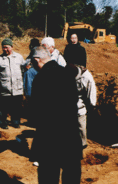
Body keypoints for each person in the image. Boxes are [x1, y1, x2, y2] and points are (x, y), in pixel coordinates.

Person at [30, 46, 82, 184]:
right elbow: (74, 100)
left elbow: (35, 111)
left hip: (49, 137)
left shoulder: (39, 79)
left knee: (48, 175)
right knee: (71, 173)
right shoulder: (66, 74)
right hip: (70, 134)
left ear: (37, 60)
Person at [0, 38, 26, 129]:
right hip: (5, 88)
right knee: (3, 107)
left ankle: (15, 122)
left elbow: (23, 70)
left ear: (12, 47)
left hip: (17, 88)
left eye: (7, 47)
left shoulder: (19, 57)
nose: (5, 49)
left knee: (16, 107)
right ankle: (3, 122)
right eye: (3, 47)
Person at [75, 66, 97, 149]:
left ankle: (82, 145)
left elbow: (91, 98)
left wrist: (92, 106)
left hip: (79, 108)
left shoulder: (87, 77)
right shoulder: (73, 72)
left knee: (80, 127)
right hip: (73, 107)